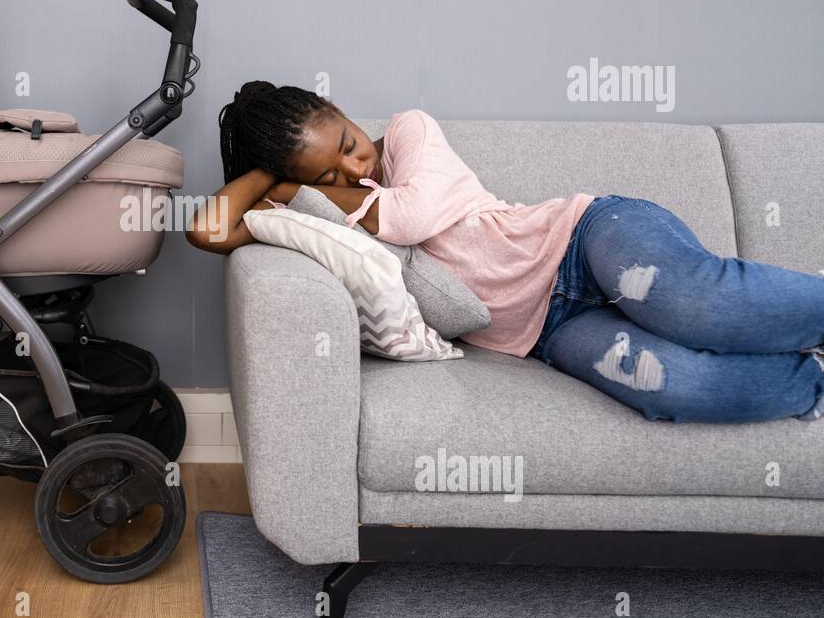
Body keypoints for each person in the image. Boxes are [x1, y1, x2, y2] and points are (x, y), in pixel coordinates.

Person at [187, 80, 824, 423]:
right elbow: (207, 232)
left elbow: (410, 219)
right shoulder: (316, 206)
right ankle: (814, 379)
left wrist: (310, 187)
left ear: (342, 110)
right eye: (333, 174)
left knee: (686, 303)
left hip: (582, 239)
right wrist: (275, 179)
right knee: (668, 386)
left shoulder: (410, 134)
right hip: (549, 330)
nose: (355, 167)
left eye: (350, 142)